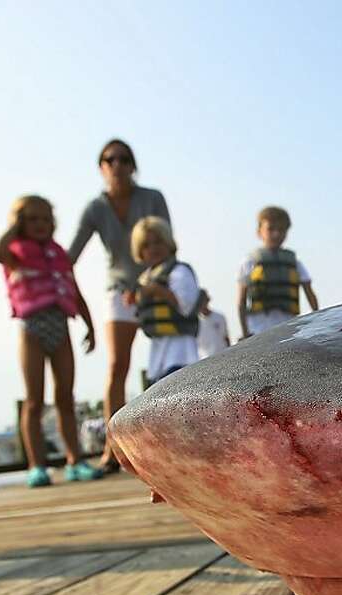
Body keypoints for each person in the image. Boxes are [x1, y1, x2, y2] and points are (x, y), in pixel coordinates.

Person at [69, 139, 171, 474]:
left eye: (124, 158)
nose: (117, 164)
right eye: (109, 159)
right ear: (101, 167)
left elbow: (168, 246)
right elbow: (69, 257)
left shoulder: (152, 198)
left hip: (155, 285)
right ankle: (112, 449)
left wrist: (164, 285)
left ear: (133, 164)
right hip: (119, 290)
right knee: (116, 366)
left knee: (167, 365)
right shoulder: (95, 207)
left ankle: (164, 447)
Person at [0, 195, 101, 487]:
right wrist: (14, 228)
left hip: (61, 326)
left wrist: (90, 326)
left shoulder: (59, 254)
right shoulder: (15, 252)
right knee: (34, 400)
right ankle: (37, 466)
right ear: (19, 222)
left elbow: (75, 292)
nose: (39, 225)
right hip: (32, 329)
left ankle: (75, 460)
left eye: (45, 219)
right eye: (31, 219)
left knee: (65, 397)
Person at [126, 217, 200, 386]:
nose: (153, 248)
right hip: (157, 358)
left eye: (158, 242)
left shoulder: (179, 271)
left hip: (181, 355)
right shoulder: (145, 278)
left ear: (168, 242)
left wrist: (157, 290)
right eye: (146, 245)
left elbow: (187, 306)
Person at [237, 206, 319, 338]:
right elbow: (241, 301)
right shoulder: (249, 262)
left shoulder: (295, 263)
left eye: (281, 230)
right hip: (258, 329)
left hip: (289, 328)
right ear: (259, 232)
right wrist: (245, 332)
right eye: (271, 229)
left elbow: (310, 294)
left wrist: (318, 321)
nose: (276, 234)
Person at [196, 290, 231, 359]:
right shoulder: (195, 323)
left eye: (203, 300)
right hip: (205, 361)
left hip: (223, 356)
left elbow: (226, 337)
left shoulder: (219, 317)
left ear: (207, 300)